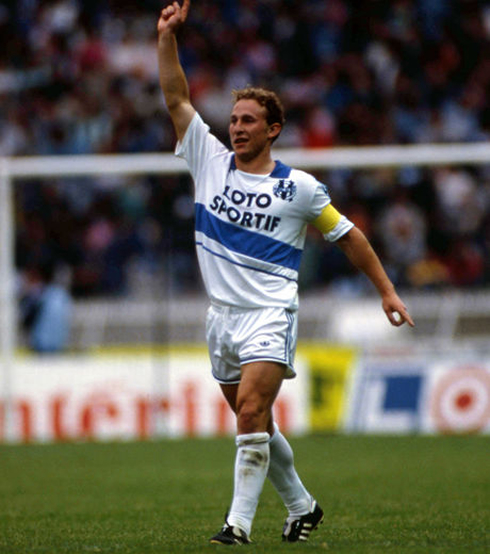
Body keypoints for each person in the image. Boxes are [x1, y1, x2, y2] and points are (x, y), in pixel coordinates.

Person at [157, 0, 415, 545]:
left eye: (248, 121)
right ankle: (302, 505)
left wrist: (387, 292)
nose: (236, 128)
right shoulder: (207, 159)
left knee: (250, 412)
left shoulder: (299, 187)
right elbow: (178, 97)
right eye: (233, 120)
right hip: (221, 318)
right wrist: (166, 38)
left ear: (274, 129)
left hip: (271, 313)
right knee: (259, 425)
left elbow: (350, 237)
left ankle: (237, 525)